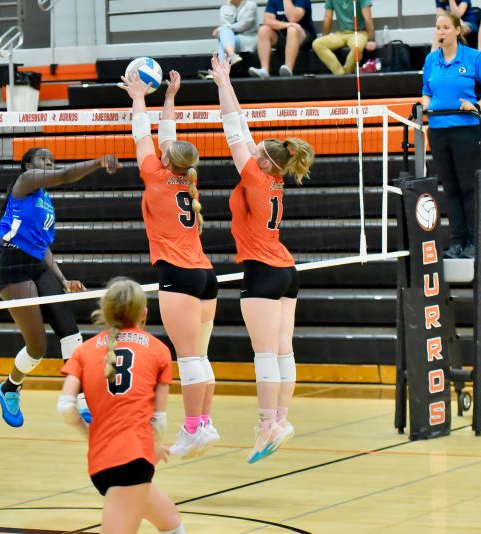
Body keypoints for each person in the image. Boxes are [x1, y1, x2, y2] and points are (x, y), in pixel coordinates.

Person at [209, 55, 314, 463]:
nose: (251, 150)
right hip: (286, 269)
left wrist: (222, 82)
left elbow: (233, 127)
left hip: (263, 271)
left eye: (257, 151)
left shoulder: (254, 174)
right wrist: (226, 81)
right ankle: (281, 419)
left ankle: (267, 423)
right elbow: (245, 131)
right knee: (284, 350)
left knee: (266, 354)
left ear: (264, 160)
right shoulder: (271, 178)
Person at [119, 70, 220, 459]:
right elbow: (166, 138)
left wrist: (138, 95)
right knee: (201, 356)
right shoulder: (183, 179)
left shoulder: (155, 175)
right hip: (205, 275)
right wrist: (171, 96)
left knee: (190, 358)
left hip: (178, 276)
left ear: (168, 159)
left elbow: (143, 134)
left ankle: (193, 428)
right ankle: (203, 424)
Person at [0, 148, 121, 427]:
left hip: (38, 265)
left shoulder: (45, 199)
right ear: (28, 165)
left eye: (51, 160)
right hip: (13, 267)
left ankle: (84, 400)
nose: (49, 163)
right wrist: (98, 160)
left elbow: (42, 246)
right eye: (42, 159)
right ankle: (9, 388)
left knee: (69, 331)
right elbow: (63, 175)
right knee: (37, 346)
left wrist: (63, 280)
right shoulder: (25, 183)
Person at [58, 277, 184, 534]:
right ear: (144, 313)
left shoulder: (83, 351)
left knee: (170, 520)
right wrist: (154, 447)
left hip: (102, 461)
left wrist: (90, 433)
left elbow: (66, 407)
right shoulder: (159, 350)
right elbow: (159, 421)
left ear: (105, 310)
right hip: (133, 459)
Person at [423, 12, 481, 259]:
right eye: (438, 28)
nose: (441, 32)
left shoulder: (476, 58)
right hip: (437, 130)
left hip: (467, 130)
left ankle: (474, 242)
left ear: (458, 30)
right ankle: (457, 242)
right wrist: (424, 105)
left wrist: (477, 105)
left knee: (469, 187)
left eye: (446, 27)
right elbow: (426, 91)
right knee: (450, 188)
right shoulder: (431, 60)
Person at [248, 0, 316, 79]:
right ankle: (264, 69)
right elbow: (267, 21)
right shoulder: (274, 1)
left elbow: (293, 18)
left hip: (303, 36)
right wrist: (287, 25)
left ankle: (288, 68)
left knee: (292, 29)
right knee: (263, 30)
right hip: (283, 37)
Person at [312, 0, 377, 75]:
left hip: (359, 33)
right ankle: (340, 74)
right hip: (341, 34)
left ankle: (346, 74)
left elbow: (368, 17)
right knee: (317, 44)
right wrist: (324, 37)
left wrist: (370, 40)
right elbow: (328, 18)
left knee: (357, 47)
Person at [214, 0, 259, 66]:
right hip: (231, 40)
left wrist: (222, 29)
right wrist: (223, 29)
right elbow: (225, 26)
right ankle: (232, 55)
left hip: (248, 38)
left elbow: (244, 25)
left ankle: (220, 69)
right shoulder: (224, 8)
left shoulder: (251, 5)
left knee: (223, 38)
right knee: (224, 35)